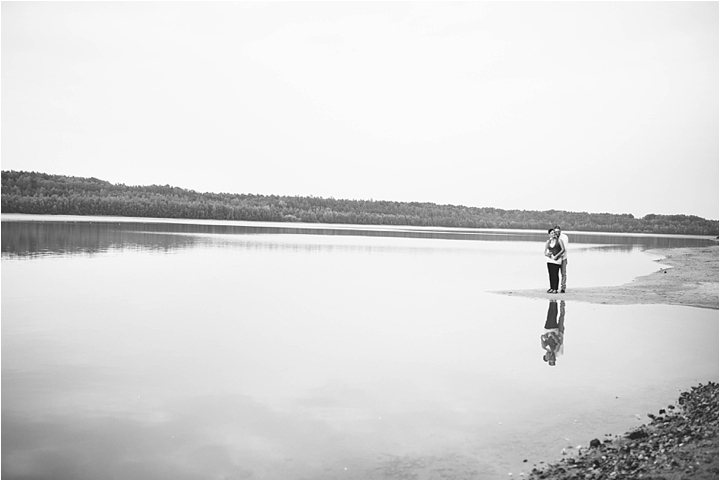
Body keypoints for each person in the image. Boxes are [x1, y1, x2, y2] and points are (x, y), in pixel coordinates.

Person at [541, 300, 565, 366]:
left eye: (550, 358)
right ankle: (557, 303)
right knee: (557, 317)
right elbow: (559, 342)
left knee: (550, 316)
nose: (551, 357)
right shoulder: (557, 352)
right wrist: (553, 335)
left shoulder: (545, 347)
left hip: (548, 330)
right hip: (556, 331)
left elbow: (542, 338)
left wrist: (544, 336)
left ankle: (552, 302)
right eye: (553, 359)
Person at [544, 228, 564, 293]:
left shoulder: (559, 240)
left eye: (554, 233)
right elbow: (545, 252)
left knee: (555, 274)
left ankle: (555, 288)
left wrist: (557, 256)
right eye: (552, 233)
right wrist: (547, 254)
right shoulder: (548, 242)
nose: (553, 234)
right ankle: (551, 287)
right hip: (549, 260)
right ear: (549, 234)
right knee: (551, 274)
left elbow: (563, 250)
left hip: (557, 260)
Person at [553, 226, 569, 293]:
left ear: (560, 231)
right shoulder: (553, 237)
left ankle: (563, 287)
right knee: (555, 273)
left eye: (558, 232)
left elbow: (563, 249)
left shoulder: (564, 237)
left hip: (563, 258)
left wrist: (557, 255)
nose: (557, 233)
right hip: (555, 259)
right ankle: (554, 287)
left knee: (563, 273)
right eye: (555, 232)